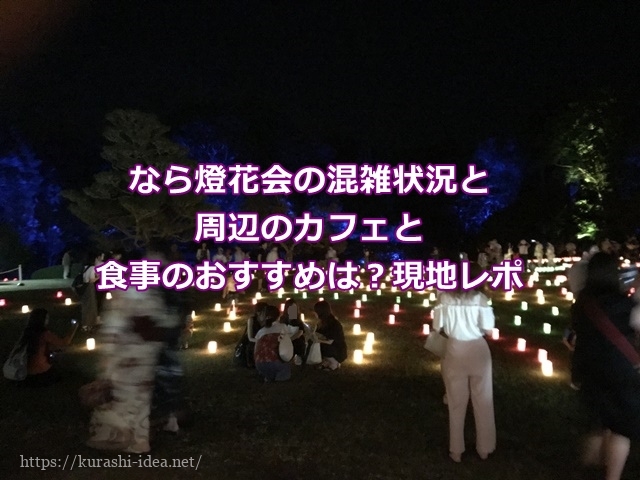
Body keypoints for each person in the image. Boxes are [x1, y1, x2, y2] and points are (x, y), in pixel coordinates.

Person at [87, 279, 180, 453]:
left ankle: (133, 439)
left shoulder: (123, 299)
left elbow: (115, 332)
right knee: (138, 400)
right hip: (140, 357)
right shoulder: (146, 296)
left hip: (130, 359)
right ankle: (139, 438)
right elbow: (159, 326)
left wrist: (108, 361)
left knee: (129, 400)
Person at [572, 252, 640, 480]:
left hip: (589, 368)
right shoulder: (625, 303)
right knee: (620, 428)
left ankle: (590, 461)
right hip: (621, 370)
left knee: (598, 417)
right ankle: (611, 476)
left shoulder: (581, 304)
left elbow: (576, 337)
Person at [432, 261, 496, 463]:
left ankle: (456, 450)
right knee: (483, 399)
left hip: (454, 350)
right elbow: (488, 328)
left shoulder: (444, 298)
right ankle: (484, 448)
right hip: (478, 350)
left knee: (456, 402)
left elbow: (437, 326)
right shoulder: (480, 299)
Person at [16, 308, 78, 386]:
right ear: (43, 319)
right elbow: (64, 343)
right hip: (40, 373)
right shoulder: (44, 334)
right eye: (47, 318)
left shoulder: (26, 332)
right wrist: (74, 328)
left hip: (25, 373)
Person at [254, 305, 292, 382]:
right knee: (285, 372)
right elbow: (287, 343)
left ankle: (268, 376)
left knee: (269, 375)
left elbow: (256, 349)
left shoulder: (261, 332)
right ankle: (279, 378)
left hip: (260, 363)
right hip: (276, 361)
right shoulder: (283, 327)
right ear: (278, 316)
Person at [313, 300, 347, 371]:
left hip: (338, 350)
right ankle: (327, 362)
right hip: (331, 347)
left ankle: (334, 363)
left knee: (319, 346)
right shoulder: (322, 322)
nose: (314, 313)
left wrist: (317, 340)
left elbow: (330, 341)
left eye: (315, 311)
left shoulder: (333, 324)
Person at [280, 298, 309, 366]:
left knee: (298, 342)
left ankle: (298, 356)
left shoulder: (297, 319)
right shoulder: (283, 318)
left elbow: (301, 331)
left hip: (296, 339)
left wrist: (291, 339)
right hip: (286, 338)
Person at [81, 252, 103, 332]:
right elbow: (91, 280)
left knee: (86, 306)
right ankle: (89, 324)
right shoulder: (92, 268)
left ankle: (85, 324)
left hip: (84, 288)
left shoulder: (85, 267)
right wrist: (98, 277)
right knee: (91, 306)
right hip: (90, 288)